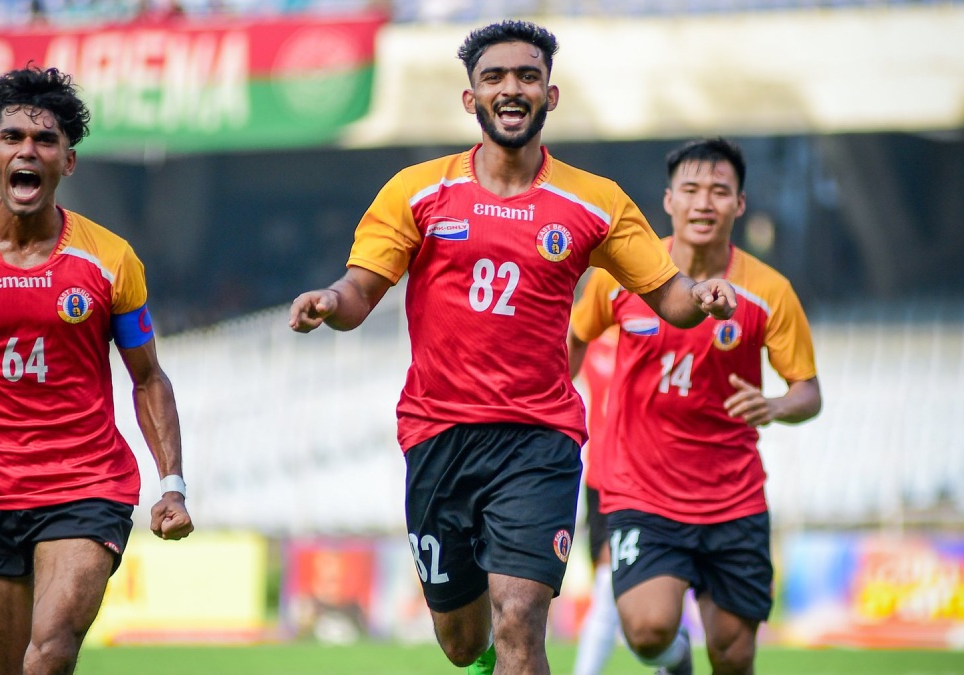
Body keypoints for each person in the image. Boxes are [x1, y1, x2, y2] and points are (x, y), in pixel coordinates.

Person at [288, 20, 737, 675]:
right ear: (470, 98)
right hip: (439, 435)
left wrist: (703, 295)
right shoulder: (417, 191)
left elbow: (670, 296)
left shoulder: (595, 202)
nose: (511, 88)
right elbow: (359, 292)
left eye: (528, 76)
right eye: (494, 77)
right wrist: (330, 300)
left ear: (549, 95)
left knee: (521, 618)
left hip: (539, 438)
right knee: (463, 641)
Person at [0, 65, 194, 675]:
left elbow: (148, 378)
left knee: (48, 652)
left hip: (88, 486)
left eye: (46, 140)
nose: (28, 150)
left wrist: (173, 485)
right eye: (12, 137)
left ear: (67, 162)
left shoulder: (111, 259)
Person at [568, 137, 822, 675]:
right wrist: (547, 403)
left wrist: (775, 405)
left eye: (719, 191)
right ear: (668, 200)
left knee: (733, 655)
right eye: (690, 189)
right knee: (647, 631)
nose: (704, 202)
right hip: (641, 493)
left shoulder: (770, 291)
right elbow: (575, 338)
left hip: (733, 498)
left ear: (740, 203)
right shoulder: (620, 276)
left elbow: (808, 391)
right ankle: (675, 658)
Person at [569, 324, 621, 675]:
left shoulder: (659, 326)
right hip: (600, 479)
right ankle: (673, 655)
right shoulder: (590, 331)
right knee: (615, 593)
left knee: (609, 588)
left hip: (645, 482)